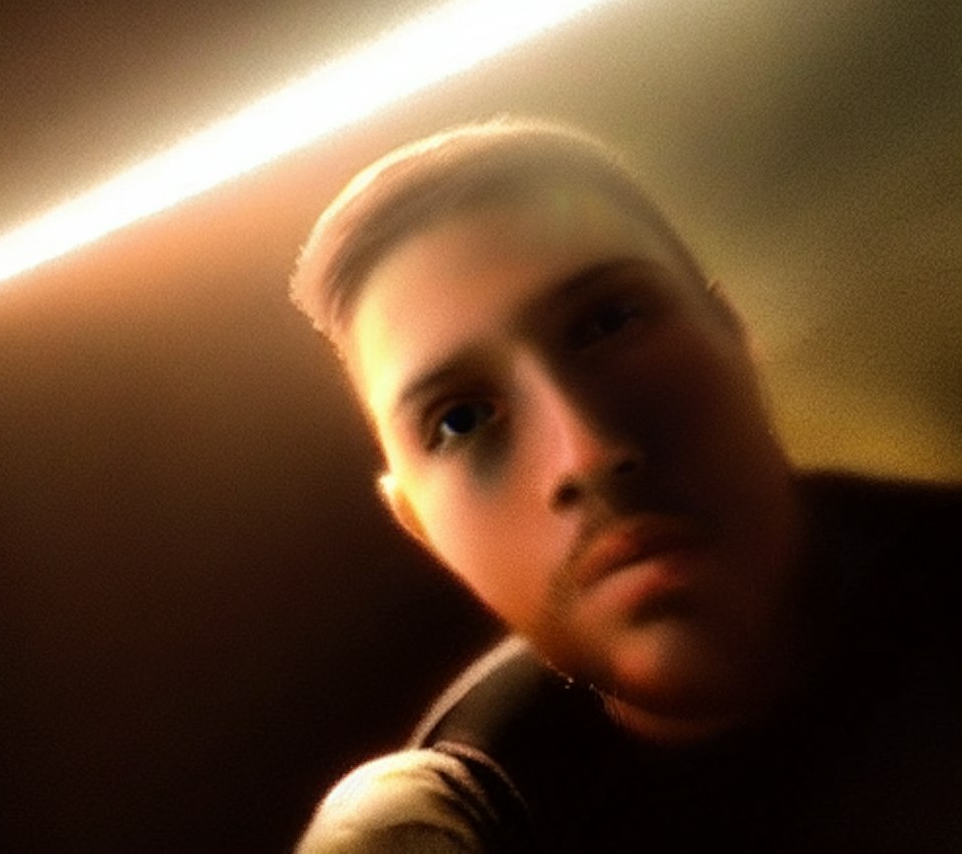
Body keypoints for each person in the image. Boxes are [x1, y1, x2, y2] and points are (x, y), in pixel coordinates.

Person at [290, 117, 961, 852]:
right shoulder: (473, 810)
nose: (585, 453)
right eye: (460, 420)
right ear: (421, 527)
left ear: (732, 334)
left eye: (608, 323)